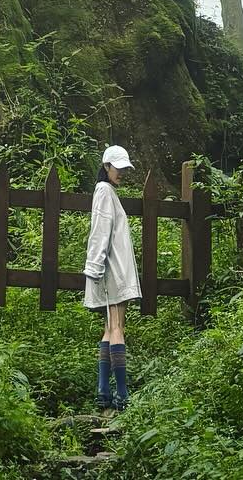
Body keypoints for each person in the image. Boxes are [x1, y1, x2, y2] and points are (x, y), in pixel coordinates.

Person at [84, 143, 140, 410]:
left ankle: (104, 392)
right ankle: (122, 395)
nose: (121, 173)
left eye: (123, 169)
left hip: (108, 268)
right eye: (117, 168)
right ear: (106, 166)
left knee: (109, 328)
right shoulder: (105, 192)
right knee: (117, 327)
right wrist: (94, 267)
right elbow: (100, 231)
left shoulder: (105, 191)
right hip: (113, 269)